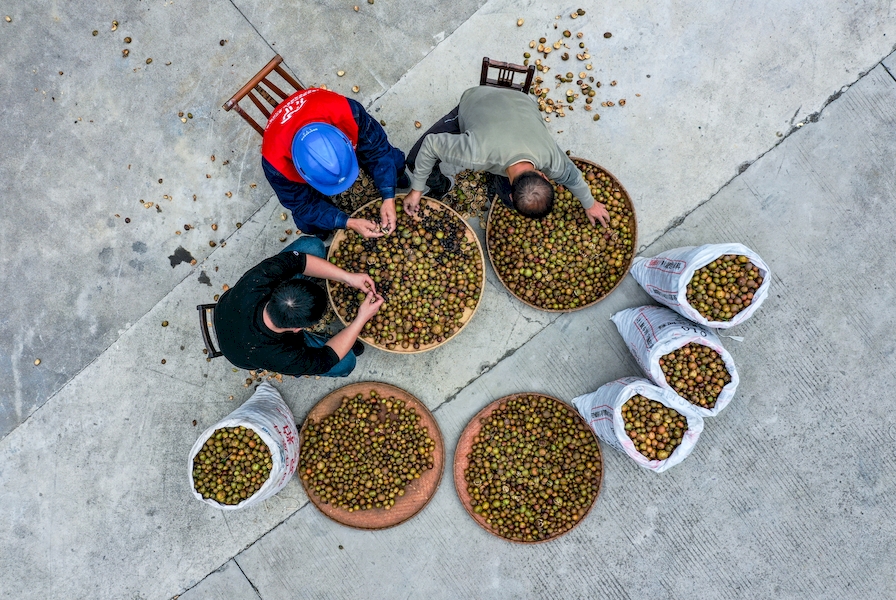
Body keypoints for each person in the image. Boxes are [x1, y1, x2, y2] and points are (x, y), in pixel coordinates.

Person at [403, 85, 609, 227]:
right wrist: (417, 189)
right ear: (546, 176)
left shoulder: (551, 157)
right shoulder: (476, 154)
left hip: (521, 101)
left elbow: (573, 177)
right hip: (477, 100)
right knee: (414, 162)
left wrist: (590, 203)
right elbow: (430, 145)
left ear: (545, 177)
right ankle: (443, 185)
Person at [214, 236, 384, 377]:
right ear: (297, 329)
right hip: (241, 352)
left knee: (311, 246)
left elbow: (298, 261)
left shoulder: (259, 279)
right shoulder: (283, 357)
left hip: (231, 309)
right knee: (346, 363)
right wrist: (361, 319)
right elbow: (326, 360)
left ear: (279, 288)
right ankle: (340, 341)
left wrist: (348, 277)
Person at [261, 87, 410, 238]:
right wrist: (347, 222)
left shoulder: (347, 112)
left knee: (394, 161)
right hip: (282, 139)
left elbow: (378, 150)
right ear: (301, 171)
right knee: (306, 223)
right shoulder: (275, 164)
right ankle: (324, 230)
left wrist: (388, 194)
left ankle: (394, 179)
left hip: (322, 110)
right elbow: (302, 205)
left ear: (345, 141)